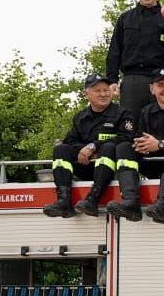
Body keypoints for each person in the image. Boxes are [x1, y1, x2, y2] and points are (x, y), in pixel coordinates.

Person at [106, 68, 164, 223]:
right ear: (152, 89)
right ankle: (131, 202)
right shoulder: (146, 112)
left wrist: (162, 144)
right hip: (152, 166)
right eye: (161, 85)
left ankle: (162, 204)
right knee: (123, 147)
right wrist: (141, 145)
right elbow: (140, 136)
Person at [42, 74, 134, 219]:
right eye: (98, 90)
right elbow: (70, 141)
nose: (103, 94)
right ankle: (64, 201)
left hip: (112, 170)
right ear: (86, 94)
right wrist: (84, 151)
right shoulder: (80, 117)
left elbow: (127, 138)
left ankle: (92, 200)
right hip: (86, 167)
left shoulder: (122, 114)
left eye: (106, 90)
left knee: (108, 147)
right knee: (61, 149)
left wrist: (94, 146)